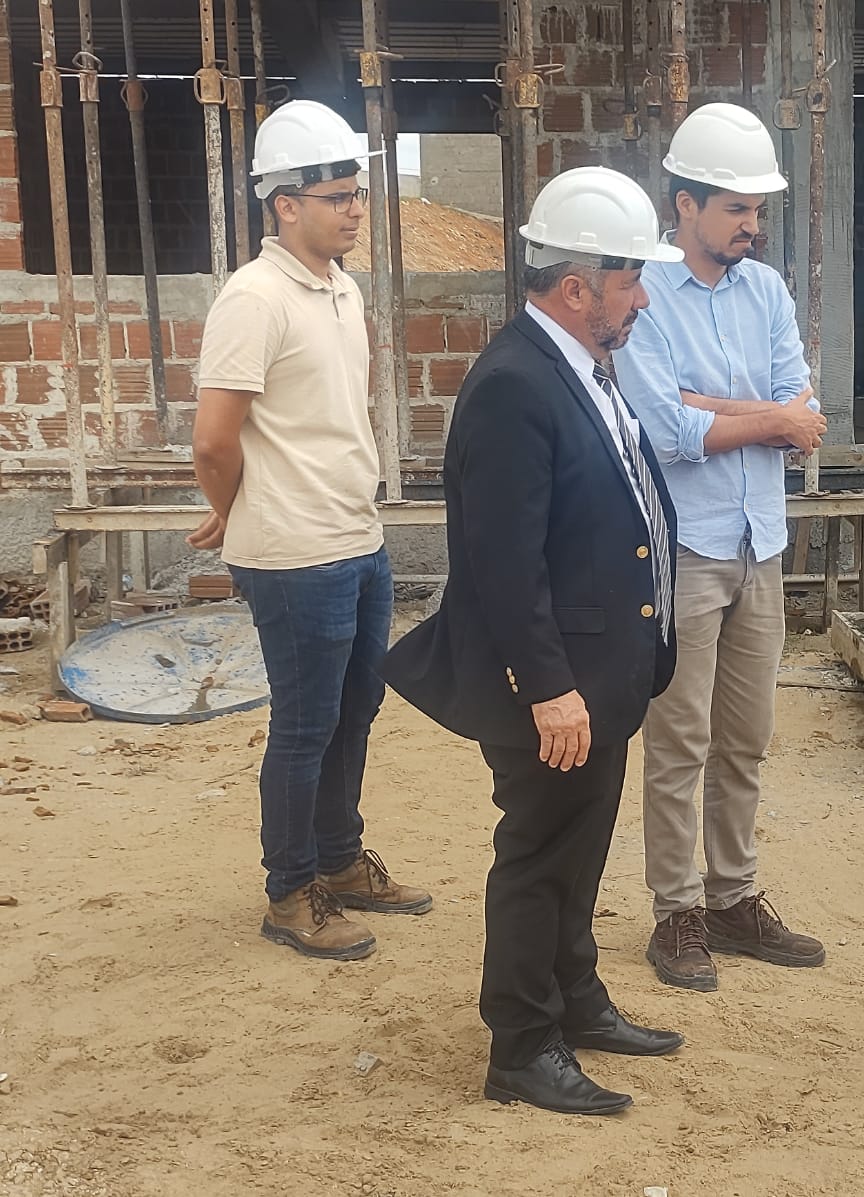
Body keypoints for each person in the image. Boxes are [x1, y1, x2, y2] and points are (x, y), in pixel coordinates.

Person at [383, 167, 685, 1116]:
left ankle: (575, 997)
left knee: (578, 845)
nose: (642, 300)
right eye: (632, 281)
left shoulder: (577, 365)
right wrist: (549, 686)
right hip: (556, 687)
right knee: (538, 854)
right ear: (577, 286)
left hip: (600, 676)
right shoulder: (515, 384)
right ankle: (520, 1042)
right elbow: (504, 562)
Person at [192, 100, 430, 962]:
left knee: (355, 707)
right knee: (304, 722)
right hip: (295, 553)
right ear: (284, 204)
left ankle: (339, 858)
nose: (355, 209)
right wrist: (234, 510)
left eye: (357, 193)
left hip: (356, 537)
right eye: (337, 196)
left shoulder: (340, 288)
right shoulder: (253, 299)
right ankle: (292, 891)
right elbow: (214, 439)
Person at [613, 102, 828, 993]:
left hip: (759, 542)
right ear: (685, 205)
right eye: (736, 208)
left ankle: (733, 896)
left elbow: (804, 410)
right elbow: (666, 429)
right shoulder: (646, 295)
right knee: (679, 739)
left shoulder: (766, 291)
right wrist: (765, 417)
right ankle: (677, 910)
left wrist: (723, 408)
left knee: (746, 737)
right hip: (687, 549)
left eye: (757, 210)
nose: (751, 225)